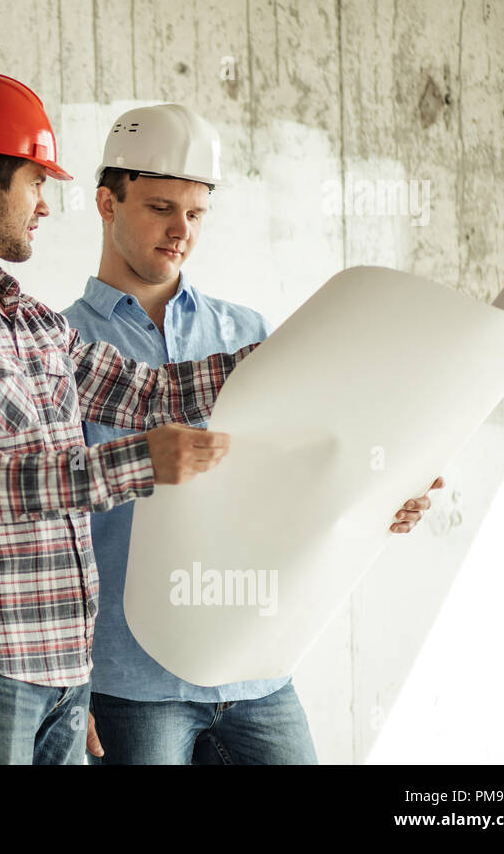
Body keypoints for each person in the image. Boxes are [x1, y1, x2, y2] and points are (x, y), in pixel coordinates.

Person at [0, 73, 260, 764]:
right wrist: (142, 461)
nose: (44, 205)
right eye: (36, 183)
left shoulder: (34, 323)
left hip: (63, 672)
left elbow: (147, 394)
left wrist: (298, 355)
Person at [61, 103, 443, 764]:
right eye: (160, 208)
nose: (181, 230)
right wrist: (71, 689)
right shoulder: (59, 346)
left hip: (256, 673)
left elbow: (300, 472)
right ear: (106, 202)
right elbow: (50, 529)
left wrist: (381, 498)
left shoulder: (249, 333)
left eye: (196, 213)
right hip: (130, 683)